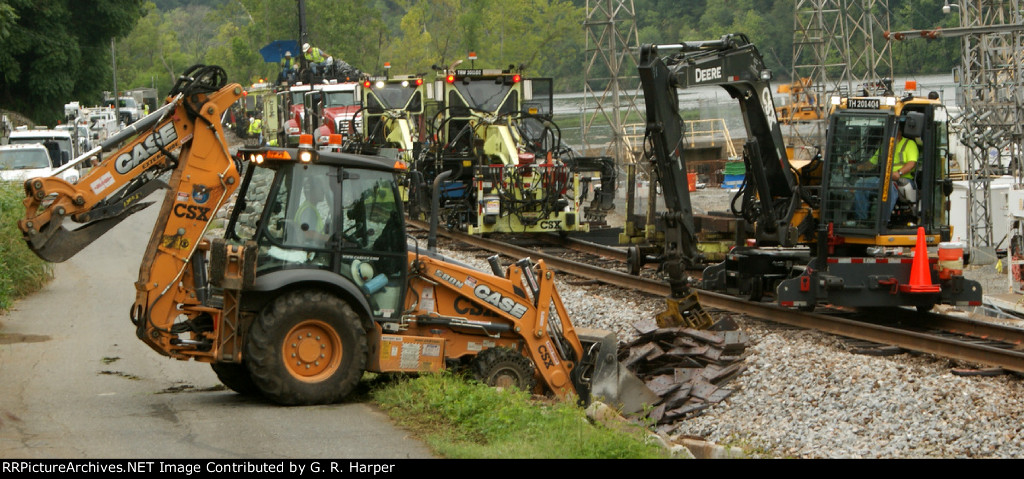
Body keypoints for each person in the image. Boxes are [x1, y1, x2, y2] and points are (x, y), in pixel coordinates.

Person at [853, 121, 919, 223]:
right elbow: (871, 163)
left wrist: (899, 173)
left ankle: (883, 221)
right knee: (860, 184)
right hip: (885, 179)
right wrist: (857, 168)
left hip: (904, 180)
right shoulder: (885, 146)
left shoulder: (909, 144)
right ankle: (861, 220)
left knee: (889, 187)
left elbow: (911, 163)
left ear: (899, 131)